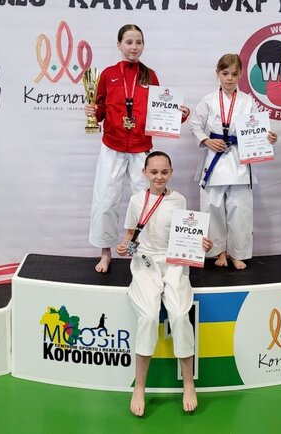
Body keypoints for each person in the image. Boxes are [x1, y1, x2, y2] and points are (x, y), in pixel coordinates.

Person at [84, 24, 190, 273]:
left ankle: (142, 252)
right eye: (129, 42)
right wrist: (92, 112)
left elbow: (160, 111)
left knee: (145, 203)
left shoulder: (150, 76)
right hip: (112, 146)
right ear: (119, 45)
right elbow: (100, 110)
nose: (134, 47)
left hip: (141, 149)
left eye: (138, 42)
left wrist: (180, 115)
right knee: (105, 201)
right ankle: (105, 252)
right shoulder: (108, 74)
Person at [115, 151, 212, 417]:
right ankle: (140, 387)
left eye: (164, 172)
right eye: (154, 172)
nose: (159, 177)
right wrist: (123, 246)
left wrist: (203, 243)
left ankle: (189, 383)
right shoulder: (136, 200)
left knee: (180, 315)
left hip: (173, 262)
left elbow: (188, 235)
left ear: (171, 172)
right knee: (148, 316)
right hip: (145, 263)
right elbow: (130, 235)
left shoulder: (179, 200)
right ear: (145, 173)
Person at [189, 53, 277, 270]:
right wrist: (207, 141)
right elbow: (195, 125)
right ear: (217, 74)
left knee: (240, 209)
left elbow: (257, 128)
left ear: (241, 75)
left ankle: (238, 253)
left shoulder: (248, 101)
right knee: (213, 207)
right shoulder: (208, 100)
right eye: (225, 73)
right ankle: (219, 251)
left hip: (240, 159)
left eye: (234, 74)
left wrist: (267, 137)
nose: (229, 78)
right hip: (214, 158)